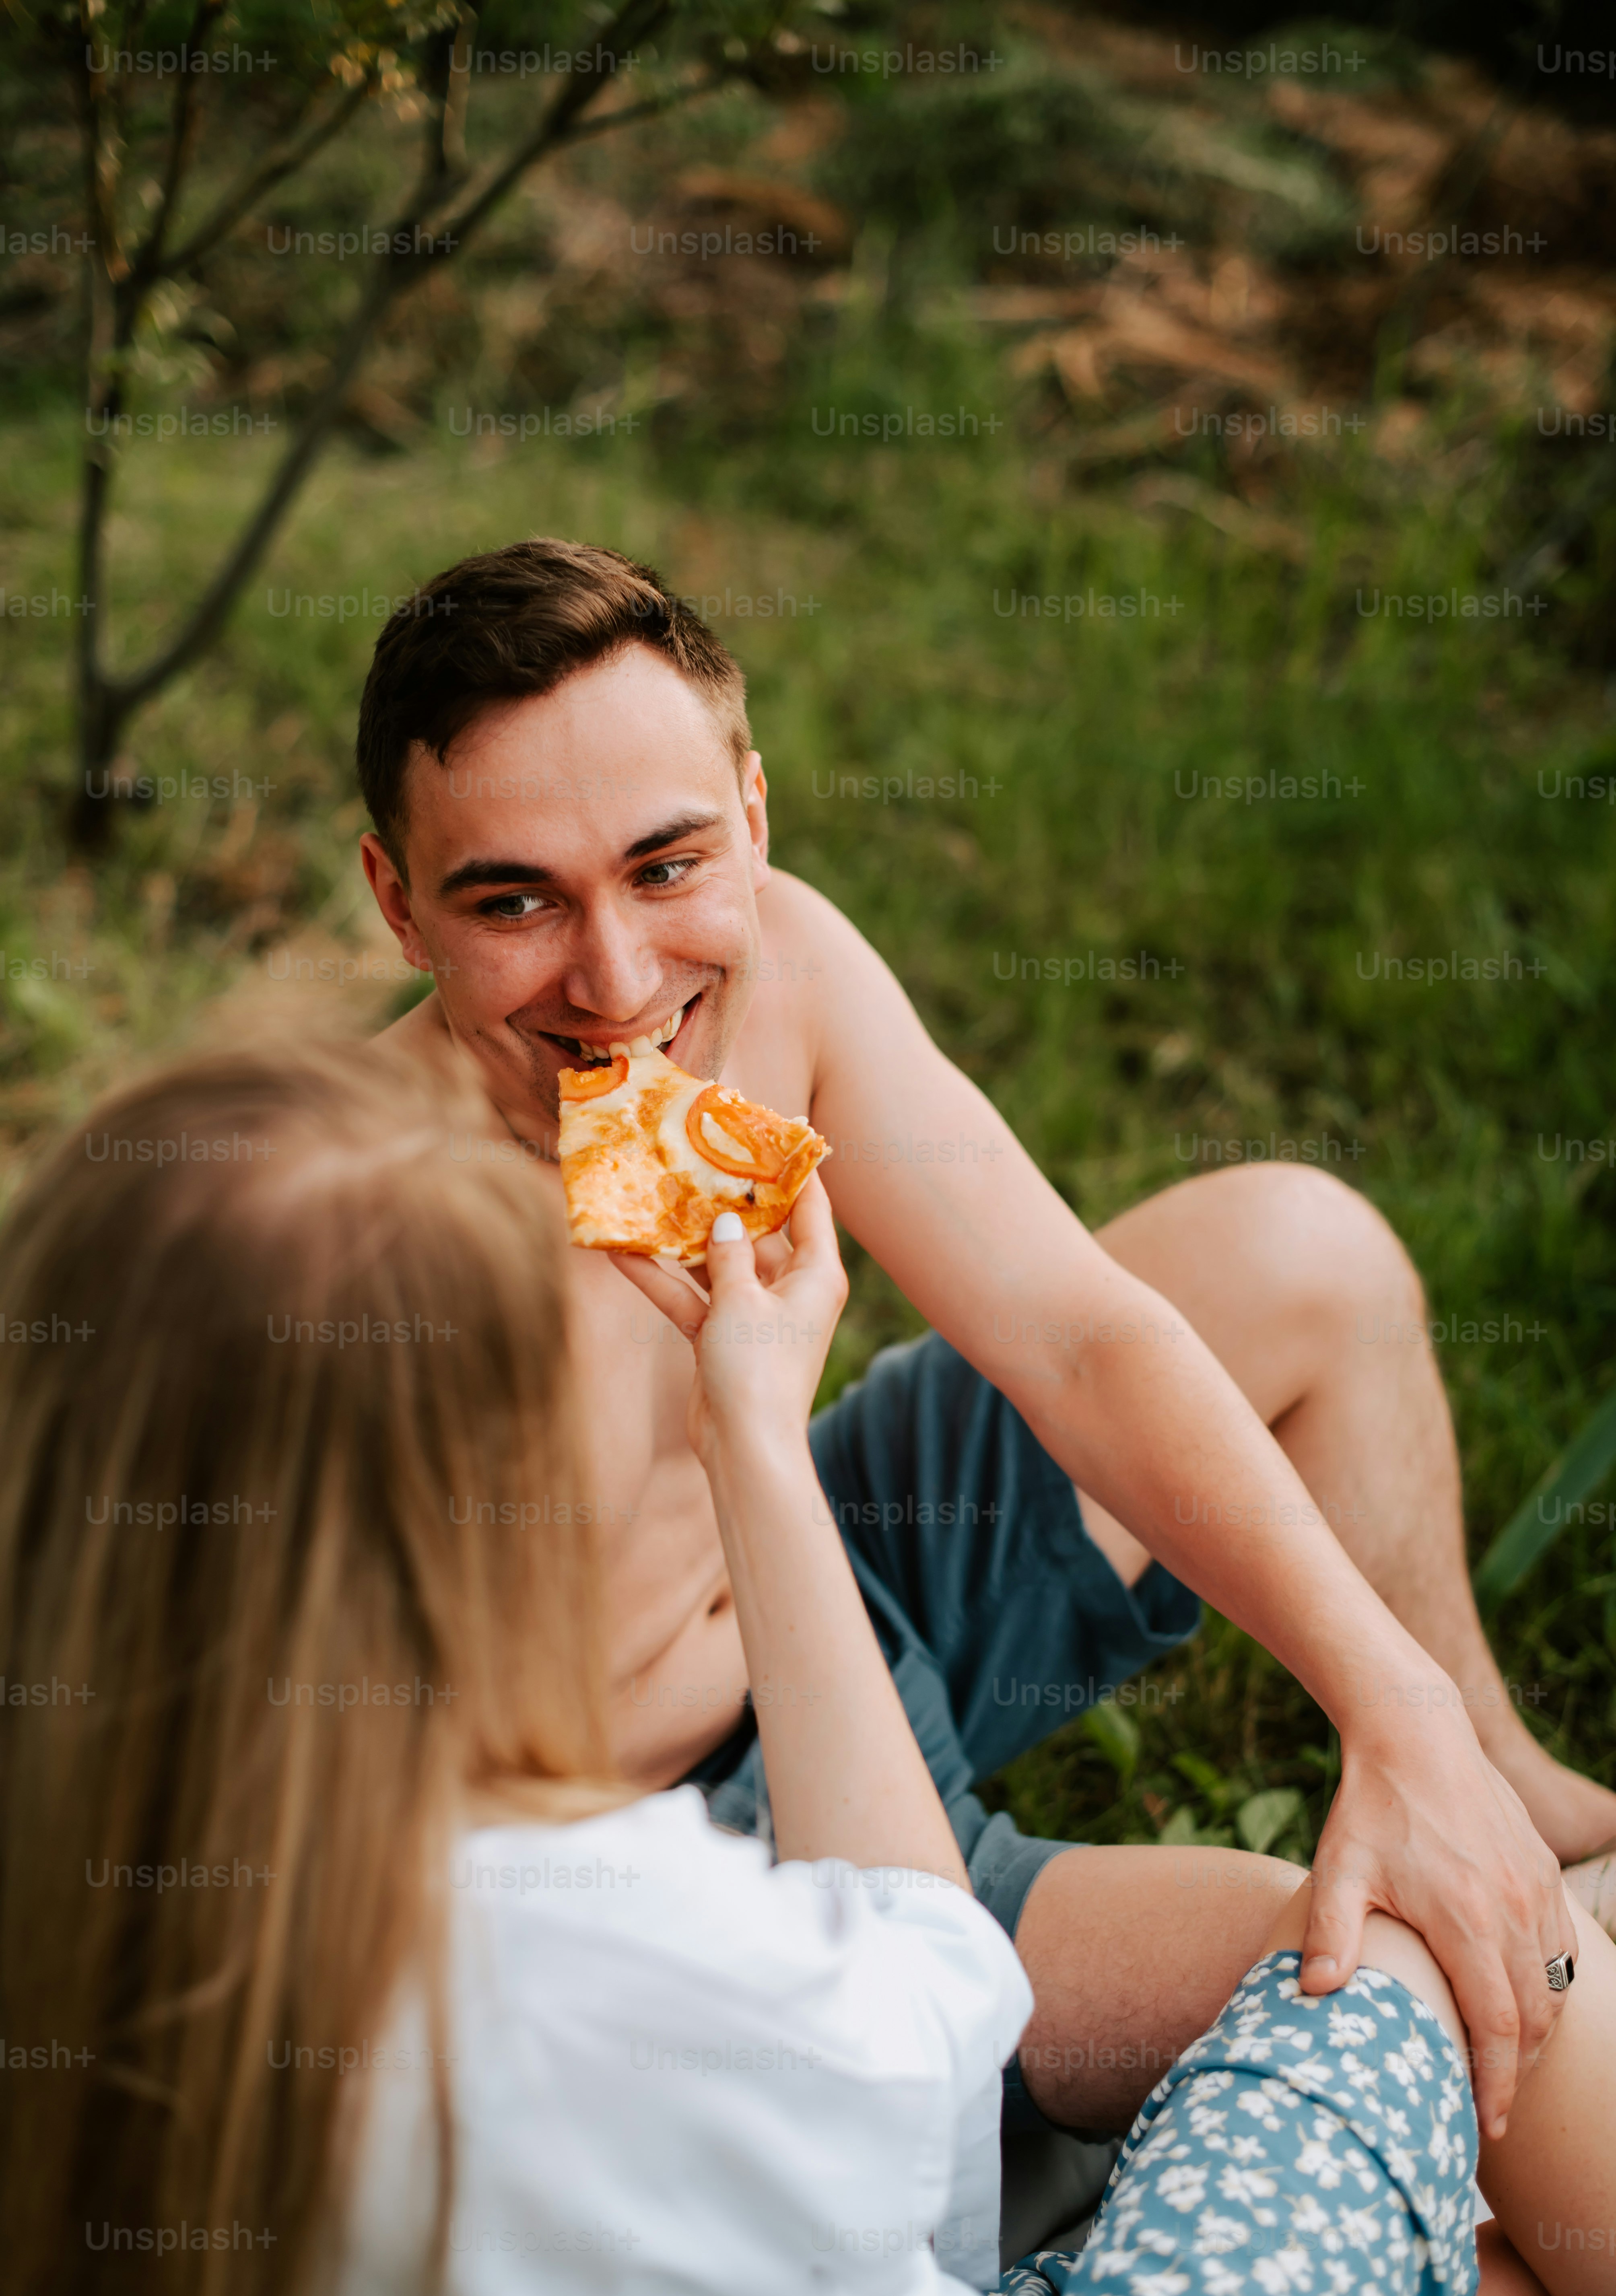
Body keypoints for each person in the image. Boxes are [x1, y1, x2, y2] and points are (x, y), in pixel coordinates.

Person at [0, 1041, 1612, 2296]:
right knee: (1421, 1918)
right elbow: (931, 2029)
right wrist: (759, 1447)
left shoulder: (124, 1927)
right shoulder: (608, 1931)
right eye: (611, 1466)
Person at [355, 538, 1615, 2156]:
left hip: (837, 1552)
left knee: (1303, 1253)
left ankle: (1495, 1780)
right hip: (713, 1835)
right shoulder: (353, 1236)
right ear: (399, 903)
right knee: (1409, 1973)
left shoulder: (779, 967)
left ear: (753, 811)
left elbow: (1076, 1336)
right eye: (513, 899)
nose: (616, 982)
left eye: (664, 866)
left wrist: (1395, 1709)